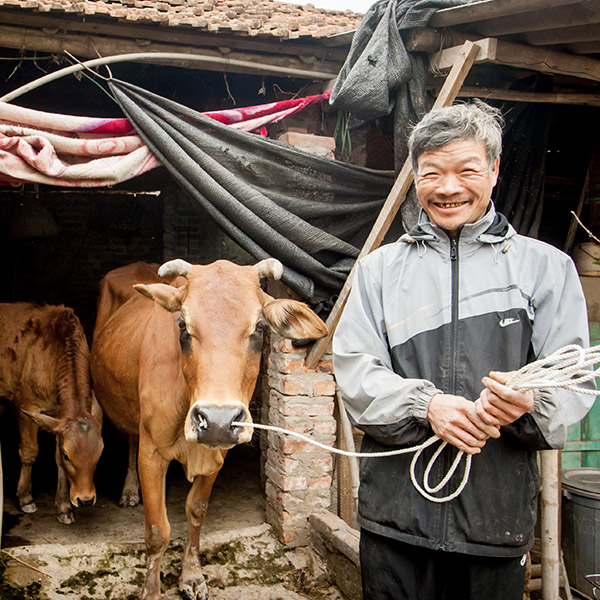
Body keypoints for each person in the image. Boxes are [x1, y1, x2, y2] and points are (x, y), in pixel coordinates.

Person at [332, 101, 595, 600]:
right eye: (432, 172)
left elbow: (573, 380)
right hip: (395, 518)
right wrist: (425, 405)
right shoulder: (379, 271)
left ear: (494, 170)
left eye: (466, 170)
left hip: (495, 521)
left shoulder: (546, 269)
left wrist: (529, 405)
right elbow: (355, 373)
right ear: (414, 177)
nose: (448, 188)